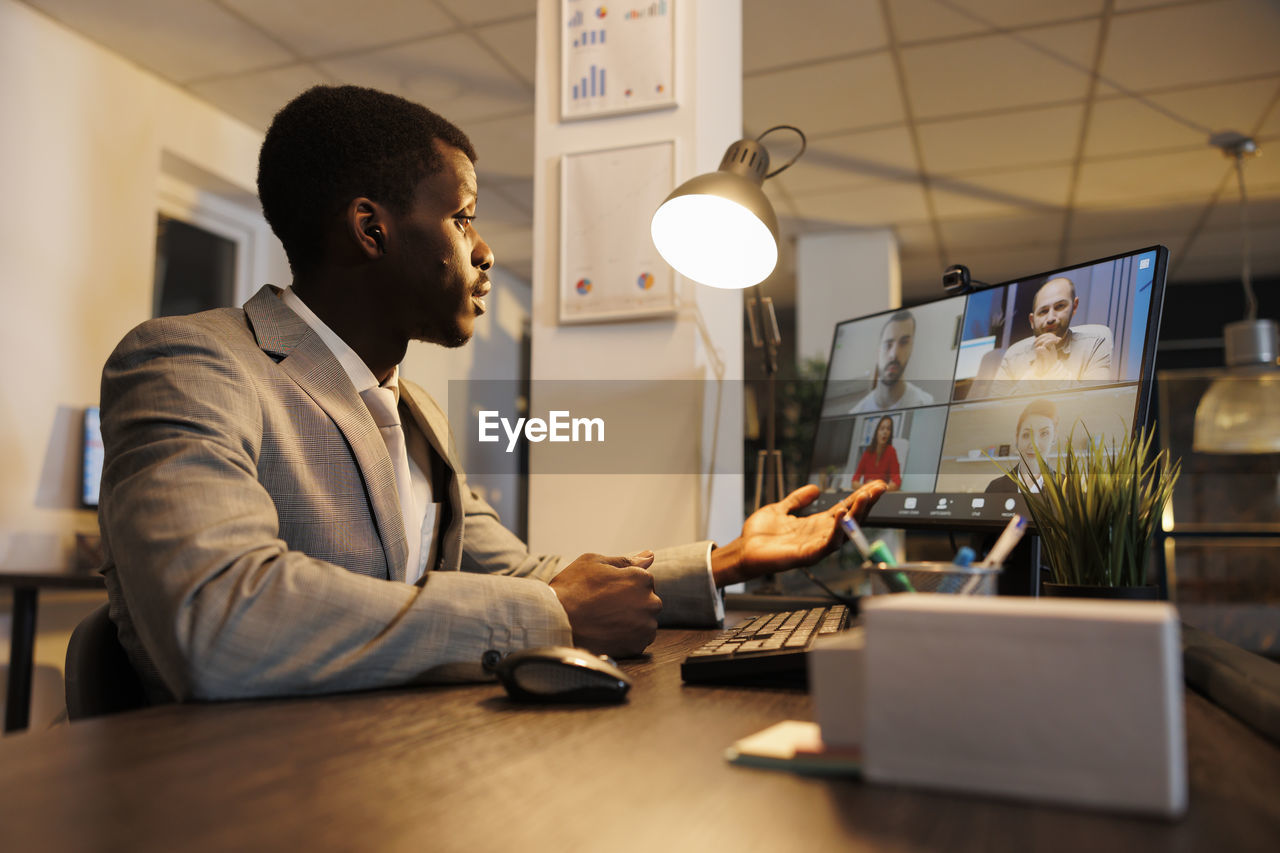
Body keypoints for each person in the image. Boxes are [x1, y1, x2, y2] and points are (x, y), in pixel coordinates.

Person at [97, 85, 886, 704]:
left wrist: (726, 560)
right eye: (463, 217)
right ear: (372, 230)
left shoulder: (416, 414)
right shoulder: (190, 362)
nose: (485, 250)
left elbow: (525, 576)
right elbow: (220, 618)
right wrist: (548, 619)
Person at [994, 276, 1113, 395]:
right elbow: (994, 409)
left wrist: (1054, 367)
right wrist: (1035, 372)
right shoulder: (1013, 355)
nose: (1050, 318)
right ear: (1032, 321)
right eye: (1043, 311)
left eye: (1060, 306)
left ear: (1074, 307)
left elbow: (1094, 404)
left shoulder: (1095, 344)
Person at [849, 310, 935, 414]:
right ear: (878, 351)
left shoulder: (927, 404)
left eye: (904, 343)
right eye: (888, 344)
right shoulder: (856, 412)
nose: (894, 354)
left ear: (911, 348)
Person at [985, 399, 1059, 494]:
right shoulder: (995, 488)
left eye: (1044, 433)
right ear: (1017, 438)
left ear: (1054, 437)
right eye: (1026, 435)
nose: (1033, 445)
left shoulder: (1068, 487)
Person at [851, 415, 901, 492]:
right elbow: (854, 481)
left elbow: (897, 481)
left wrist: (881, 488)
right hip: (866, 494)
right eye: (882, 429)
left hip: (881, 495)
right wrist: (867, 487)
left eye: (888, 429)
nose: (885, 432)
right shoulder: (867, 452)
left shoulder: (891, 451)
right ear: (876, 432)